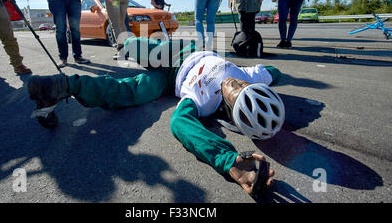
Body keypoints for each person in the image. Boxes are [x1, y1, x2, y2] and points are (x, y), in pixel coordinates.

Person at [27, 36, 285, 195]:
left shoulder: (203, 103)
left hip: (168, 80)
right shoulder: (251, 76)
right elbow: (274, 70)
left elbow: (180, 124)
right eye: (243, 86)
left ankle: (63, 86)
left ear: (230, 112)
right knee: (134, 45)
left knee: (130, 91)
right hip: (181, 51)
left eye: (234, 93)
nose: (234, 83)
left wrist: (229, 161)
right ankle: (124, 43)